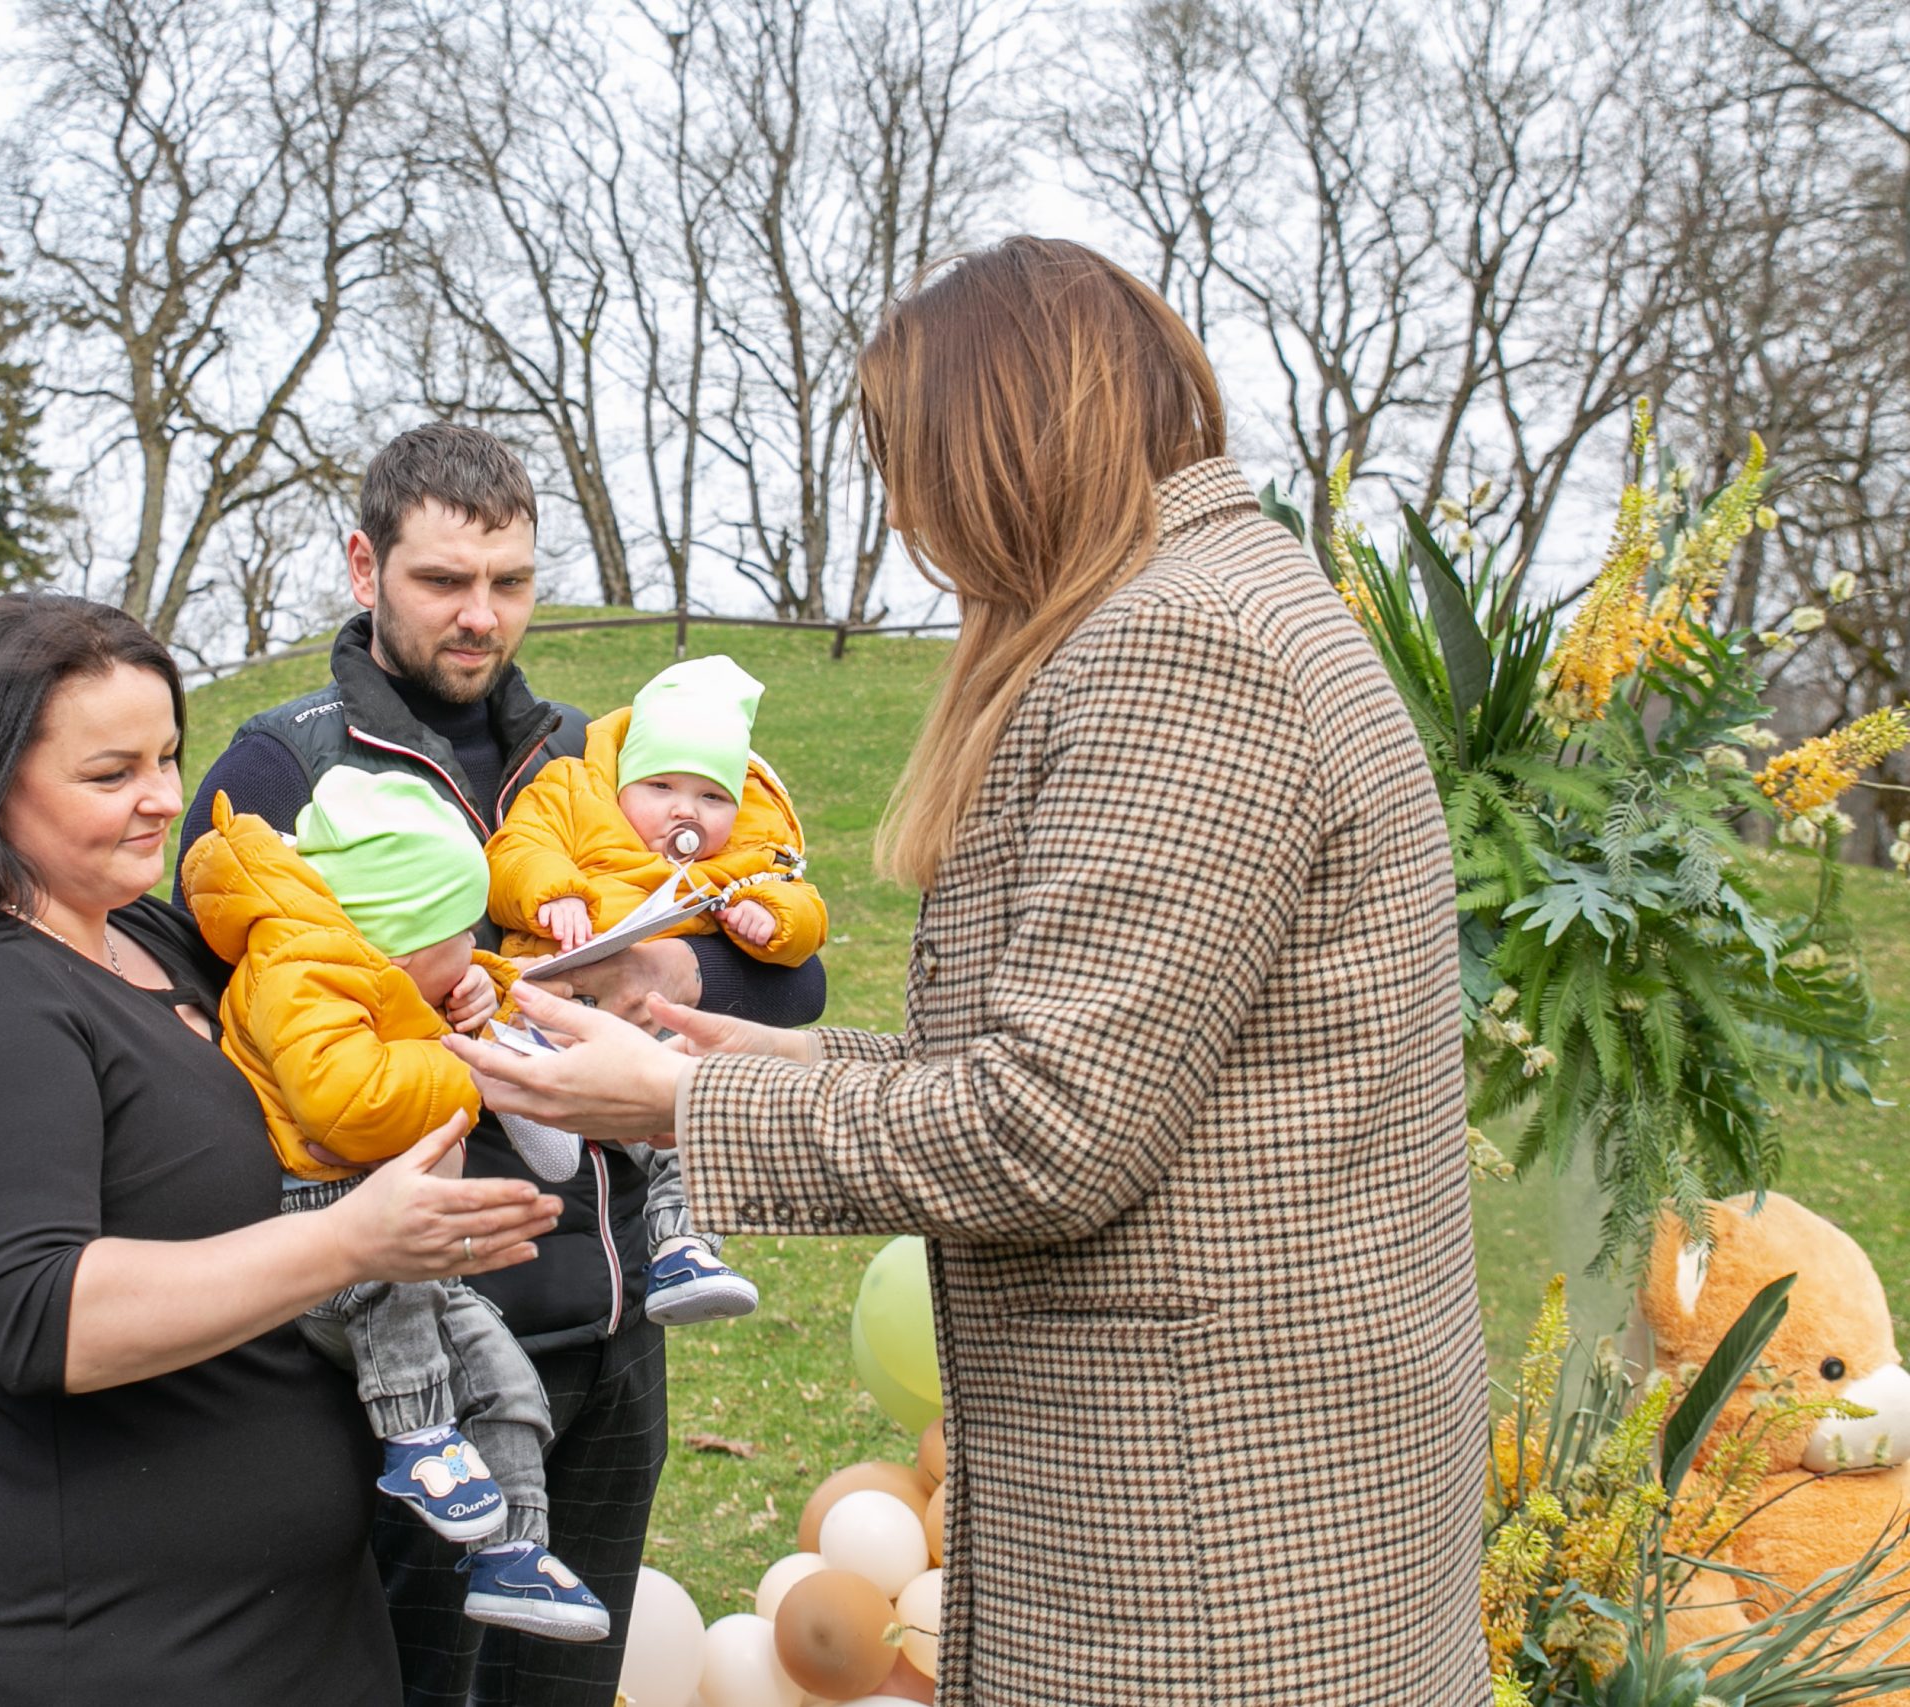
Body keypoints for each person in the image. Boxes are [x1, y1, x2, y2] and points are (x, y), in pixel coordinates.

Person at [445, 237, 1493, 1705]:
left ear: (1008, 441)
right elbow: (1114, 1058)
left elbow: (1048, 1130)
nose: (907, 518)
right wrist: (758, 1053)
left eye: (914, 467)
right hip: (1250, 1479)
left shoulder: (1182, 646)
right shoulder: (1236, 596)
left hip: (1203, 1537)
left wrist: (676, 1107)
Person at [0, 593, 561, 1703]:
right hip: (126, 1646)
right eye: (111, 774)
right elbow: (42, 1317)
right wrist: (352, 1242)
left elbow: (320, 1045)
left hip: (311, 1626)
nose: (163, 797)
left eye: (166, 756)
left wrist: (446, 1006)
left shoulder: (156, 938)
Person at [179, 423, 828, 1707]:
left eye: (511, 582)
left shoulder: (601, 757)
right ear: (363, 567)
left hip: (614, 1330)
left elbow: (792, 977)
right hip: (409, 1364)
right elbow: (214, 1034)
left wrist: (673, 974)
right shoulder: (280, 767)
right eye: (442, 581)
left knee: (568, 1692)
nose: (481, 615)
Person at [186, 768, 609, 1642]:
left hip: (392, 1219)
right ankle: (418, 1438)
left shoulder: (382, 970)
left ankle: (515, 1550)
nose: (473, 942)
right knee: (395, 1287)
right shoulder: (298, 967)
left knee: (501, 1369)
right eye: (461, 932)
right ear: (404, 939)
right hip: (320, 1223)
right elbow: (347, 1100)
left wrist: (485, 998)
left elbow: (416, 1015)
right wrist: (469, 1065)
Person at [488, 652, 830, 1327]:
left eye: (711, 797)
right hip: (559, 986)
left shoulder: (745, 849)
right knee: (540, 1014)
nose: (685, 810)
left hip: (657, 1028)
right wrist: (555, 893)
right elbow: (517, 850)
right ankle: (530, 1078)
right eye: (662, 785)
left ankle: (684, 1249)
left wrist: (773, 918)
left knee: (693, 1115)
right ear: (624, 776)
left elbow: (802, 913)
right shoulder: (574, 793)